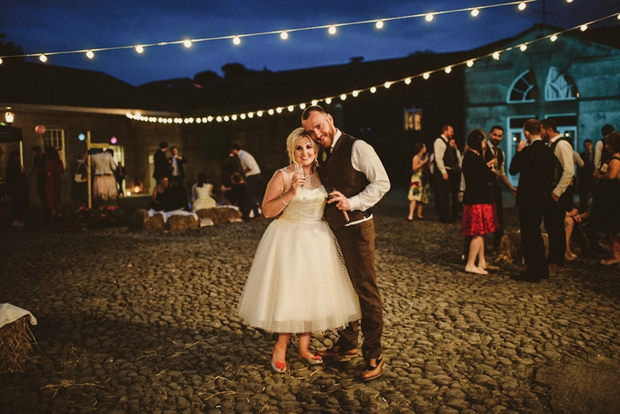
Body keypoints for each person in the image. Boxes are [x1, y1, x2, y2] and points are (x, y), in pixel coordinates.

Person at [237, 128, 361, 374]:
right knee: (291, 293)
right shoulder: (282, 175)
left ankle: (304, 347)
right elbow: (267, 210)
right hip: (289, 238)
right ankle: (280, 347)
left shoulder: (322, 175)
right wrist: (291, 192)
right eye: (299, 148)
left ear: (315, 151)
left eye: (308, 147)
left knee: (311, 293)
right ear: (291, 151)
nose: (305, 152)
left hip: (318, 238)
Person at [301, 105, 390, 381]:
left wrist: (352, 202)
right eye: (310, 131)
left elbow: (382, 182)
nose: (316, 134)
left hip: (357, 229)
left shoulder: (358, 147)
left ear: (330, 119)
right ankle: (348, 342)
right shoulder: (320, 153)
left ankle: (374, 354)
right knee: (343, 288)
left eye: (319, 126)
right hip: (333, 231)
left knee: (365, 289)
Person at [509, 119, 556, 283]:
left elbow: (513, 169)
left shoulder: (527, 152)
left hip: (528, 198)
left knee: (529, 234)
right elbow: (552, 173)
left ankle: (532, 270)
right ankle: (542, 268)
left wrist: (518, 151)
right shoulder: (548, 151)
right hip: (543, 198)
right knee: (536, 231)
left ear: (527, 133)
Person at [461, 129, 499, 275]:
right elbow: (488, 176)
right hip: (478, 199)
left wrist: (487, 168)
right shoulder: (474, 157)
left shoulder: (469, 157)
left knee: (480, 232)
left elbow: (480, 171)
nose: (484, 144)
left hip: (474, 198)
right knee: (478, 232)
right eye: (483, 141)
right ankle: (471, 264)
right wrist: (491, 172)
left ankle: (481, 261)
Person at [541, 118, 573, 274]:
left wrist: (557, 192)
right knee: (552, 226)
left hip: (557, 195)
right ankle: (553, 258)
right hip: (553, 193)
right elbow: (577, 162)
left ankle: (557, 261)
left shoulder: (561, 144)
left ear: (549, 130)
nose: (539, 133)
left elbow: (569, 170)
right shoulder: (553, 145)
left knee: (557, 228)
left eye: (541, 129)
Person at [484, 126, 517, 252]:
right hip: (484, 188)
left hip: (495, 188)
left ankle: (498, 246)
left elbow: (502, 173)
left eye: (499, 136)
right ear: (490, 134)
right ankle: (482, 246)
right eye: (495, 135)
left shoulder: (501, 153)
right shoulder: (482, 149)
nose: (497, 138)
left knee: (498, 217)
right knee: (484, 217)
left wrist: (510, 187)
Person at [590, 132, 620, 265]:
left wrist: (599, 176)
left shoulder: (615, 159)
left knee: (612, 227)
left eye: (608, 144)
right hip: (615, 195)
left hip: (613, 197)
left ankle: (615, 255)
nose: (606, 146)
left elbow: (612, 175)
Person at [433, 125, 460, 223]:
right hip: (443, 171)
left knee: (447, 194)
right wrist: (443, 171)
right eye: (451, 131)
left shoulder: (447, 142)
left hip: (449, 170)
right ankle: (443, 217)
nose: (452, 133)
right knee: (443, 194)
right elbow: (438, 158)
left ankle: (448, 215)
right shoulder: (439, 141)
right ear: (445, 131)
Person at [230, 143, 262, 220]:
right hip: (252, 176)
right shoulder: (243, 155)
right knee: (248, 195)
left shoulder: (244, 156)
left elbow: (250, 167)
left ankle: (256, 215)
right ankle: (246, 215)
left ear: (234, 150)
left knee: (249, 195)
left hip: (254, 176)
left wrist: (242, 172)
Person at [407, 143, 431, 221]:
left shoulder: (423, 157)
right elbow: (414, 168)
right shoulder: (416, 157)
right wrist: (423, 163)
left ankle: (419, 214)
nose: (425, 148)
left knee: (422, 197)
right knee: (415, 196)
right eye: (424, 147)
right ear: (421, 148)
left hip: (423, 177)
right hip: (417, 178)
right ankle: (410, 215)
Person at [6, 151, 29, 227]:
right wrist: (22, 173)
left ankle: (19, 219)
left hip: (17, 187)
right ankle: (16, 219)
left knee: (19, 203)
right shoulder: (13, 166)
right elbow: (15, 177)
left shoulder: (14, 165)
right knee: (16, 203)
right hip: (16, 188)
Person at [25, 146, 47, 213]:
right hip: (40, 178)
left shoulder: (44, 157)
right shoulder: (34, 159)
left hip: (46, 178)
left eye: (33, 153)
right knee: (42, 195)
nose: (33, 155)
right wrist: (26, 174)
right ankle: (45, 209)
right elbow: (32, 167)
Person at [44, 146, 64, 217]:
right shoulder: (59, 162)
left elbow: (49, 173)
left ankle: (53, 215)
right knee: (57, 197)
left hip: (51, 181)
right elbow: (62, 172)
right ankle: (61, 212)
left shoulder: (50, 163)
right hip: (58, 181)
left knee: (51, 199)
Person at [577, 139, 595, 212]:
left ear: (591, 145)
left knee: (595, 194)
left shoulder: (595, 154)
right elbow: (579, 168)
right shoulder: (581, 155)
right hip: (584, 178)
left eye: (588, 145)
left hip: (593, 177)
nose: (587, 147)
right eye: (585, 145)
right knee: (583, 195)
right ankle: (583, 209)